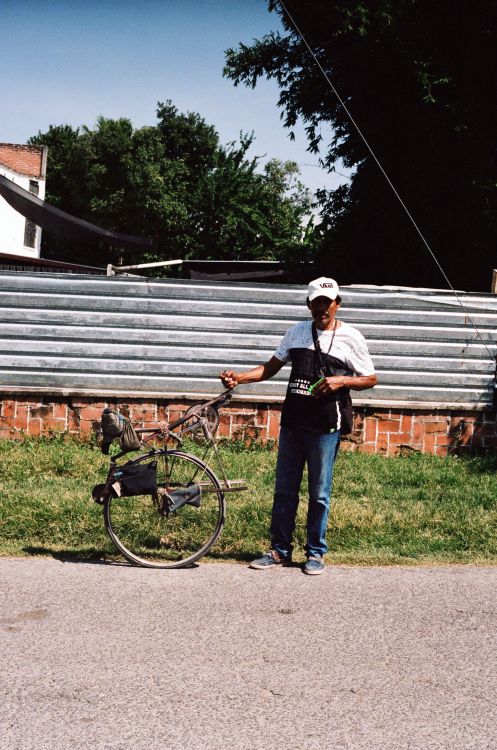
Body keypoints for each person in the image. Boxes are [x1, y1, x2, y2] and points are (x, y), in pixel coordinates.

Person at [220, 277, 377, 575]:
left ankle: (316, 553)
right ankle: (279, 550)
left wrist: (341, 380)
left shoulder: (352, 337)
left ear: (337, 303)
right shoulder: (296, 333)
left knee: (319, 493)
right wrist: (239, 378)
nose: (322, 308)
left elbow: (370, 378)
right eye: (316, 302)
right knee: (284, 491)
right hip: (293, 423)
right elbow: (270, 368)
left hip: (325, 427)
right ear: (308, 305)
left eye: (327, 303)